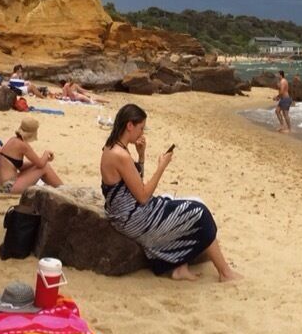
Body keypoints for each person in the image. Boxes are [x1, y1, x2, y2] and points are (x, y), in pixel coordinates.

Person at [99, 103, 241, 282]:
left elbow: (133, 185)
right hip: (132, 218)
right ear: (129, 125)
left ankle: (180, 267)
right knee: (200, 213)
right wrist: (161, 167)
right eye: (141, 128)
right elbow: (143, 196)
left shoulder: (111, 147)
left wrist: (141, 156)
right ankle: (225, 273)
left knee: (178, 203)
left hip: (125, 213)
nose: (142, 133)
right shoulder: (120, 155)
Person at [0, 117, 63, 191]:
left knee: (38, 165)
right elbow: (41, 164)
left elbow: (20, 167)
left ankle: (62, 188)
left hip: (1, 184)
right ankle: (63, 189)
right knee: (45, 167)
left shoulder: (12, 140)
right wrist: (46, 153)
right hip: (8, 187)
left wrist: (42, 160)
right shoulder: (23, 145)